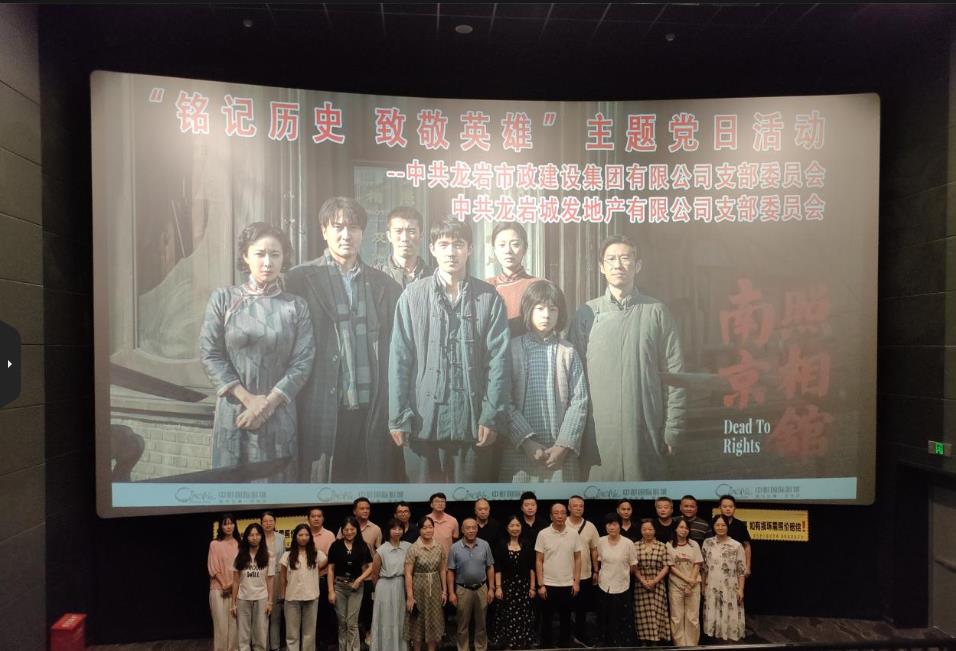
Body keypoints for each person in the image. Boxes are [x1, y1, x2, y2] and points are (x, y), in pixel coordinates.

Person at [285, 197, 403, 483]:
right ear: (324, 231)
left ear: (363, 233)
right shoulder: (300, 279)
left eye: (354, 227)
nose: (346, 235)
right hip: (322, 409)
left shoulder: (385, 285)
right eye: (338, 227)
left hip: (371, 409)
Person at [389, 218, 511, 483]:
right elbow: (400, 359)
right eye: (443, 244)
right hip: (422, 422)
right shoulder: (412, 296)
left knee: (471, 503)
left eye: (458, 244)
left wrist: (491, 416)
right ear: (432, 249)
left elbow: (499, 361)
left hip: (473, 424)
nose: (451, 252)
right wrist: (398, 417)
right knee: (424, 503)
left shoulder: (489, 298)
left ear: (470, 249)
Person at [199, 221, 316, 483]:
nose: (267, 262)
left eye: (275, 255)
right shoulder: (224, 299)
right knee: (230, 491)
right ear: (245, 256)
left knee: (276, 489)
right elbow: (209, 353)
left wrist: (267, 404)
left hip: (280, 413)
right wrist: (249, 400)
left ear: (284, 258)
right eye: (260, 254)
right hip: (234, 411)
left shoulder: (296, 306)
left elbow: (303, 362)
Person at [569, 234, 686, 481]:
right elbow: (573, 380)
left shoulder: (656, 312)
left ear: (638, 265)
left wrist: (673, 429)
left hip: (645, 429)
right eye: (611, 259)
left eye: (625, 258)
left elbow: (676, 376)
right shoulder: (586, 314)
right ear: (601, 267)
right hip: (598, 435)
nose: (618, 265)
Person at [500, 281, 588, 483]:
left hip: (560, 456)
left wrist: (563, 446)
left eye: (553, 309)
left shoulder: (568, 352)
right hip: (520, 452)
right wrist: (526, 441)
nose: (546, 315)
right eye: (539, 308)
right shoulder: (512, 350)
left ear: (560, 314)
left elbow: (579, 401)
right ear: (528, 310)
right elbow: (504, 399)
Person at [534, 503, 582, 649]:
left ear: (566, 515)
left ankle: (564, 645)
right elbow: (539, 560)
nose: (560, 516)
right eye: (556, 513)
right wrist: (540, 585)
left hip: (568, 583)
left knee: (566, 618)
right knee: (547, 618)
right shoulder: (543, 534)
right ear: (551, 516)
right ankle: (546, 645)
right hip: (548, 584)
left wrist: (576, 582)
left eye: (562, 513)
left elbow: (578, 558)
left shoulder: (573, 534)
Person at [337, 498, 382, 650]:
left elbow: (378, 554)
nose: (365, 511)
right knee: (348, 616)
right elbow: (339, 549)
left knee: (367, 610)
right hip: (347, 580)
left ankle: (368, 637)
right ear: (354, 511)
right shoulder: (345, 527)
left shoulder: (376, 529)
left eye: (367, 508)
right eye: (362, 508)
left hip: (368, 577)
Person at [447, 518, 496, 651]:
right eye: (468, 528)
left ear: (477, 529)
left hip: (482, 588)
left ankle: (480, 648)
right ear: (462, 530)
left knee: (482, 624)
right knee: (462, 625)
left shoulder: (484, 545)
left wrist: (491, 588)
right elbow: (450, 571)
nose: (471, 530)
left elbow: (490, 567)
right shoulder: (455, 547)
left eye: (474, 527)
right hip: (463, 590)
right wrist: (451, 593)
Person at [327, 517, 374, 651]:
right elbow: (330, 569)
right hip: (339, 587)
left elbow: (371, 566)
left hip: (356, 588)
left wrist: (359, 579)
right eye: (346, 530)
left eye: (352, 529)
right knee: (342, 623)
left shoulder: (362, 545)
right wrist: (331, 591)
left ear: (357, 530)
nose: (349, 532)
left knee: (352, 623)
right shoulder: (335, 545)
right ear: (342, 531)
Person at [486, 222, 540, 337]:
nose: (508, 251)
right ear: (494, 250)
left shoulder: (539, 285)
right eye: (502, 245)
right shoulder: (485, 287)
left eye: (515, 244)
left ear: (525, 248)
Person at [281, 524, 328, 651]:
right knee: (292, 634)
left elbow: (327, 563)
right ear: (295, 537)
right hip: (291, 599)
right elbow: (283, 578)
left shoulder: (317, 554)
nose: (303, 537)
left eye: (306, 535)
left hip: (311, 597)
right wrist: (283, 596)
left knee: (309, 634)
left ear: (310, 537)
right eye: (300, 535)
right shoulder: (287, 555)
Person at [493, 515, 537, 650]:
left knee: (523, 615)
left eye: (517, 525)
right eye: (512, 525)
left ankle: (522, 642)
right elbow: (498, 568)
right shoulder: (501, 545)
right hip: (507, 586)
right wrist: (498, 587)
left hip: (524, 587)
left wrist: (532, 587)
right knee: (507, 615)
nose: (515, 528)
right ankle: (508, 642)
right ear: (507, 528)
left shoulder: (527, 544)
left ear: (521, 527)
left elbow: (532, 568)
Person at [404, 516, 448, 651]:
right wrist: (410, 597)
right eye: (424, 527)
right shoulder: (413, 548)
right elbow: (408, 574)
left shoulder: (439, 547)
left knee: (433, 620)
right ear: (419, 530)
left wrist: (444, 591)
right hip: (418, 588)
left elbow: (442, 570)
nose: (428, 530)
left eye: (430, 527)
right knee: (417, 621)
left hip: (435, 588)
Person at [593, 513, 637, 647]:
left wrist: (622, 574)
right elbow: (598, 559)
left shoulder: (628, 543)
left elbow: (633, 566)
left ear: (620, 526)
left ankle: (622, 645)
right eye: (608, 524)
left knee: (621, 618)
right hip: (604, 585)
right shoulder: (600, 541)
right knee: (604, 617)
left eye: (614, 524)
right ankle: (606, 643)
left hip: (622, 585)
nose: (611, 527)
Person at [702, 515, 746, 641]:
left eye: (723, 525)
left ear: (728, 526)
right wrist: (703, 586)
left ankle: (729, 643)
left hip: (730, 587)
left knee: (729, 614)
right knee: (713, 614)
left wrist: (741, 589)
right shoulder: (707, 543)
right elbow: (704, 567)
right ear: (713, 526)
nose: (720, 528)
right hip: (712, 586)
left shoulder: (736, 545)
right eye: (717, 525)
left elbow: (741, 570)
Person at [370, 519, 412, 651]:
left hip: (402, 585)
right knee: (385, 619)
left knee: (400, 618)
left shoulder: (408, 547)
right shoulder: (381, 550)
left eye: (400, 528)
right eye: (394, 529)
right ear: (388, 531)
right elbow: (374, 575)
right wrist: (380, 589)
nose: (397, 531)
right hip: (385, 587)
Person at [232, 523, 275, 651]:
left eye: (257, 534)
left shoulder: (269, 555)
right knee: (243, 635)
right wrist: (233, 603)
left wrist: (270, 601)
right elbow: (235, 581)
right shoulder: (239, 556)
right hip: (243, 598)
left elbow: (270, 580)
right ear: (246, 537)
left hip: (262, 598)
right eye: (251, 535)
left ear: (261, 536)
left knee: (261, 634)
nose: (254, 537)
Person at [567, 495, 600, 646]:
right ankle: (565, 637)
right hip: (564, 575)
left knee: (582, 609)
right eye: (575, 506)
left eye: (581, 506)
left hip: (585, 574)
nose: (578, 508)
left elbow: (594, 550)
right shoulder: (562, 523)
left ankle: (580, 636)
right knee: (565, 609)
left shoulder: (590, 526)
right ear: (569, 507)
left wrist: (596, 570)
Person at [374, 206, 433, 288]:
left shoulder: (433, 276)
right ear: (389, 236)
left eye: (411, 231)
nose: (405, 238)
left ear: (421, 236)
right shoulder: (376, 275)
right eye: (398, 231)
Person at [666, 518, 703, 646]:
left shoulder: (694, 544)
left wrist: (690, 584)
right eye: (681, 527)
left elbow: (697, 564)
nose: (684, 530)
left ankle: (692, 646)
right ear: (675, 529)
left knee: (692, 618)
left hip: (693, 586)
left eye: (686, 528)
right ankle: (679, 646)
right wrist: (687, 580)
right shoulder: (669, 545)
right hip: (675, 585)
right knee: (677, 617)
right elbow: (671, 567)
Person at [633, 519, 670, 644]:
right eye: (644, 529)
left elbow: (666, 566)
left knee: (657, 613)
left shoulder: (662, 546)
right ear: (640, 531)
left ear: (655, 530)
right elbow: (634, 566)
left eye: (650, 529)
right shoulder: (635, 546)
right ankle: (643, 641)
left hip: (658, 584)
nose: (647, 532)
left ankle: (656, 641)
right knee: (642, 615)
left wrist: (654, 581)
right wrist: (643, 581)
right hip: (640, 585)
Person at [209, 513, 241, 651]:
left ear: (235, 525)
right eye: (225, 524)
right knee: (220, 625)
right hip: (218, 589)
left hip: (236, 589)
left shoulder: (240, 544)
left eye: (231, 523)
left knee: (235, 624)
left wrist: (233, 585)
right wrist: (224, 584)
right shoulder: (215, 544)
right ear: (221, 527)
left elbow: (242, 567)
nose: (228, 526)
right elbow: (213, 567)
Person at [307, 507, 337, 650]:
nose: (316, 518)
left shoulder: (329, 535)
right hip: (306, 580)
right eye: (313, 516)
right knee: (310, 613)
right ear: (308, 518)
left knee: (324, 612)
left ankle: (324, 642)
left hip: (323, 578)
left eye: (319, 516)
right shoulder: (304, 533)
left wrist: (317, 568)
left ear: (323, 518)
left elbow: (331, 556)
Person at [261, 512, 286, 651]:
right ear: (261, 523)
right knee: (262, 613)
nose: (268, 523)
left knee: (276, 613)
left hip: (277, 576)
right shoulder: (257, 537)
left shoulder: (281, 538)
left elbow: (284, 560)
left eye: (271, 521)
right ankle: (263, 646)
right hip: (260, 577)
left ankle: (275, 646)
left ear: (275, 522)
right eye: (265, 521)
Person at [714, 494, 752, 577]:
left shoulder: (740, 525)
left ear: (735, 508)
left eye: (731, 506)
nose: (728, 509)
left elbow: (747, 546)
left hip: (736, 565)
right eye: (724, 506)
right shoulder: (713, 523)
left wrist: (748, 566)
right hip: (716, 565)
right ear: (720, 507)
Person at [424, 492, 459, 557]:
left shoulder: (453, 520)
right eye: (437, 501)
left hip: (447, 559)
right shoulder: (424, 520)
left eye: (442, 501)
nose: (440, 504)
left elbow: (455, 541)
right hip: (428, 558)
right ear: (431, 505)